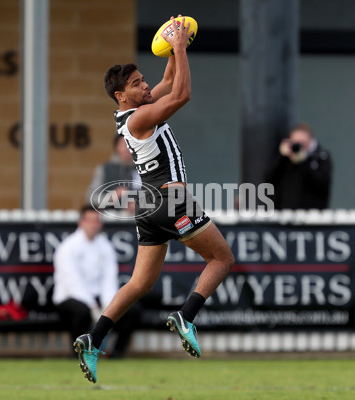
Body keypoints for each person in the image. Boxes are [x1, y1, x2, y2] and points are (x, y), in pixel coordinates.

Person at [73, 16, 234, 383]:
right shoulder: (140, 118)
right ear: (120, 95)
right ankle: (186, 316)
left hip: (149, 206)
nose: (145, 85)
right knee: (221, 258)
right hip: (171, 200)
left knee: (139, 283)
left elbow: (165, 83)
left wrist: (177, 45)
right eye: (136, 83)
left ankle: (93, 339)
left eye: (142, 79)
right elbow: (181, 94)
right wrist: (178, 47)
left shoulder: (128, 113)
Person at [53, 205, 139, 359]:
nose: (93, 225)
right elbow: (72, 282)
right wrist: (92, 306)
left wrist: (108, 305)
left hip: (99, 298)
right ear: (81, 222)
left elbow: (109, 279)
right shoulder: (68, 247)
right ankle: (79, 353)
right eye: (89, 221)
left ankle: (117, 354)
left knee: (131, 310)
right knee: (81, 312)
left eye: (96, 221)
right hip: (70, 298)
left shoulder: (105, 246)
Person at [265, 123, 333, 210]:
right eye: (296, 143)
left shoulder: (321, 157)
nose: (299, 146)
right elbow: (269, 181)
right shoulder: (286, 160)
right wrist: (283, 158)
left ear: (310, 141)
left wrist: (304, 161)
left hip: (313, 216)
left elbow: (322, 184)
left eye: (302, 143)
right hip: (286, 215)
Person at [87, 135, 141, 213]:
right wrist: (111, 197)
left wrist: (140, 205)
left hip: (137, 221)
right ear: (116, 146)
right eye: (123, 144)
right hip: (109, 221)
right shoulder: (105, 169)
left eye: (131, 143)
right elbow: (90, 199)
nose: (127, 148)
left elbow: (157, 199)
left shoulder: (144, 169)